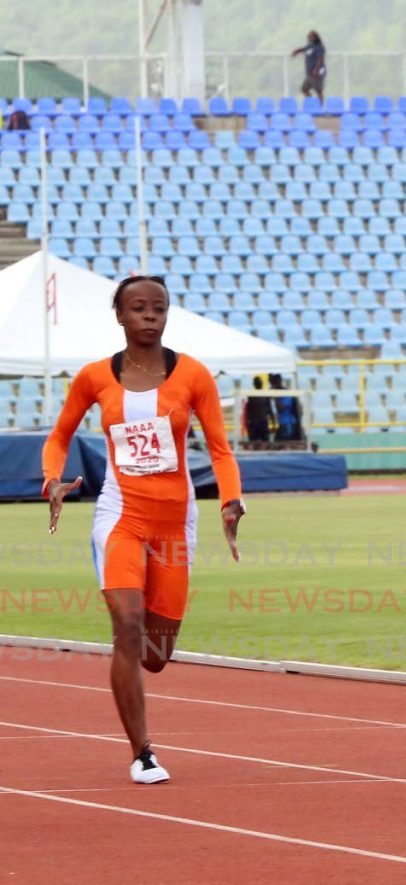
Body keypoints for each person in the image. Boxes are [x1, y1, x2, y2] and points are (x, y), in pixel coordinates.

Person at [43, 275, 245, 785]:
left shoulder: (193, 375)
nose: (150, 315)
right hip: (120, 517)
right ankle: (143, 752)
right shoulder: (94, 377)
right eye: (138, 307)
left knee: (155, 656)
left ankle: (141, 692)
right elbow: (60, 434)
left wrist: (231, 500)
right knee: (127, 626)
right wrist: (52, 480)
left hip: (175, 524)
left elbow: (220, 449)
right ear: (120, 316)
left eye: (159, 307)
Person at [291, 31, 326, 104]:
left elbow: (320, 59)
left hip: (315, 73)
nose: (311, 38)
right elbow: (304, 49)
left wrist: (316, 70)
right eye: (309, 37)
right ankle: (312, 103)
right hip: (309, 74)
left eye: (313, 36)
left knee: (318, 91)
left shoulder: (319, 47)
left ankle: (320, 107)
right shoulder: (310, 45)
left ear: (317, 37)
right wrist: (297, 51)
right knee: (304, 89)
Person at [269, 371, 303, 443]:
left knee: (284, 444)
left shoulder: (286, 393)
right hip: (281, 423)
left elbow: (281, 407)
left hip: (288, 423)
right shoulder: (278, 393)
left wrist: (274, 397)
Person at [244, 375, 275, 446]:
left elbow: (269, 409)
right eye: (257, 382)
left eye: (258, 382)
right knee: (254, 443)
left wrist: (273, 422)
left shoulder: (264, 395)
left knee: (265, 443)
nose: (258, 383)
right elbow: (248, 410)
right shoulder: (251, 396)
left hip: (261, 421)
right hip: (254, 422)